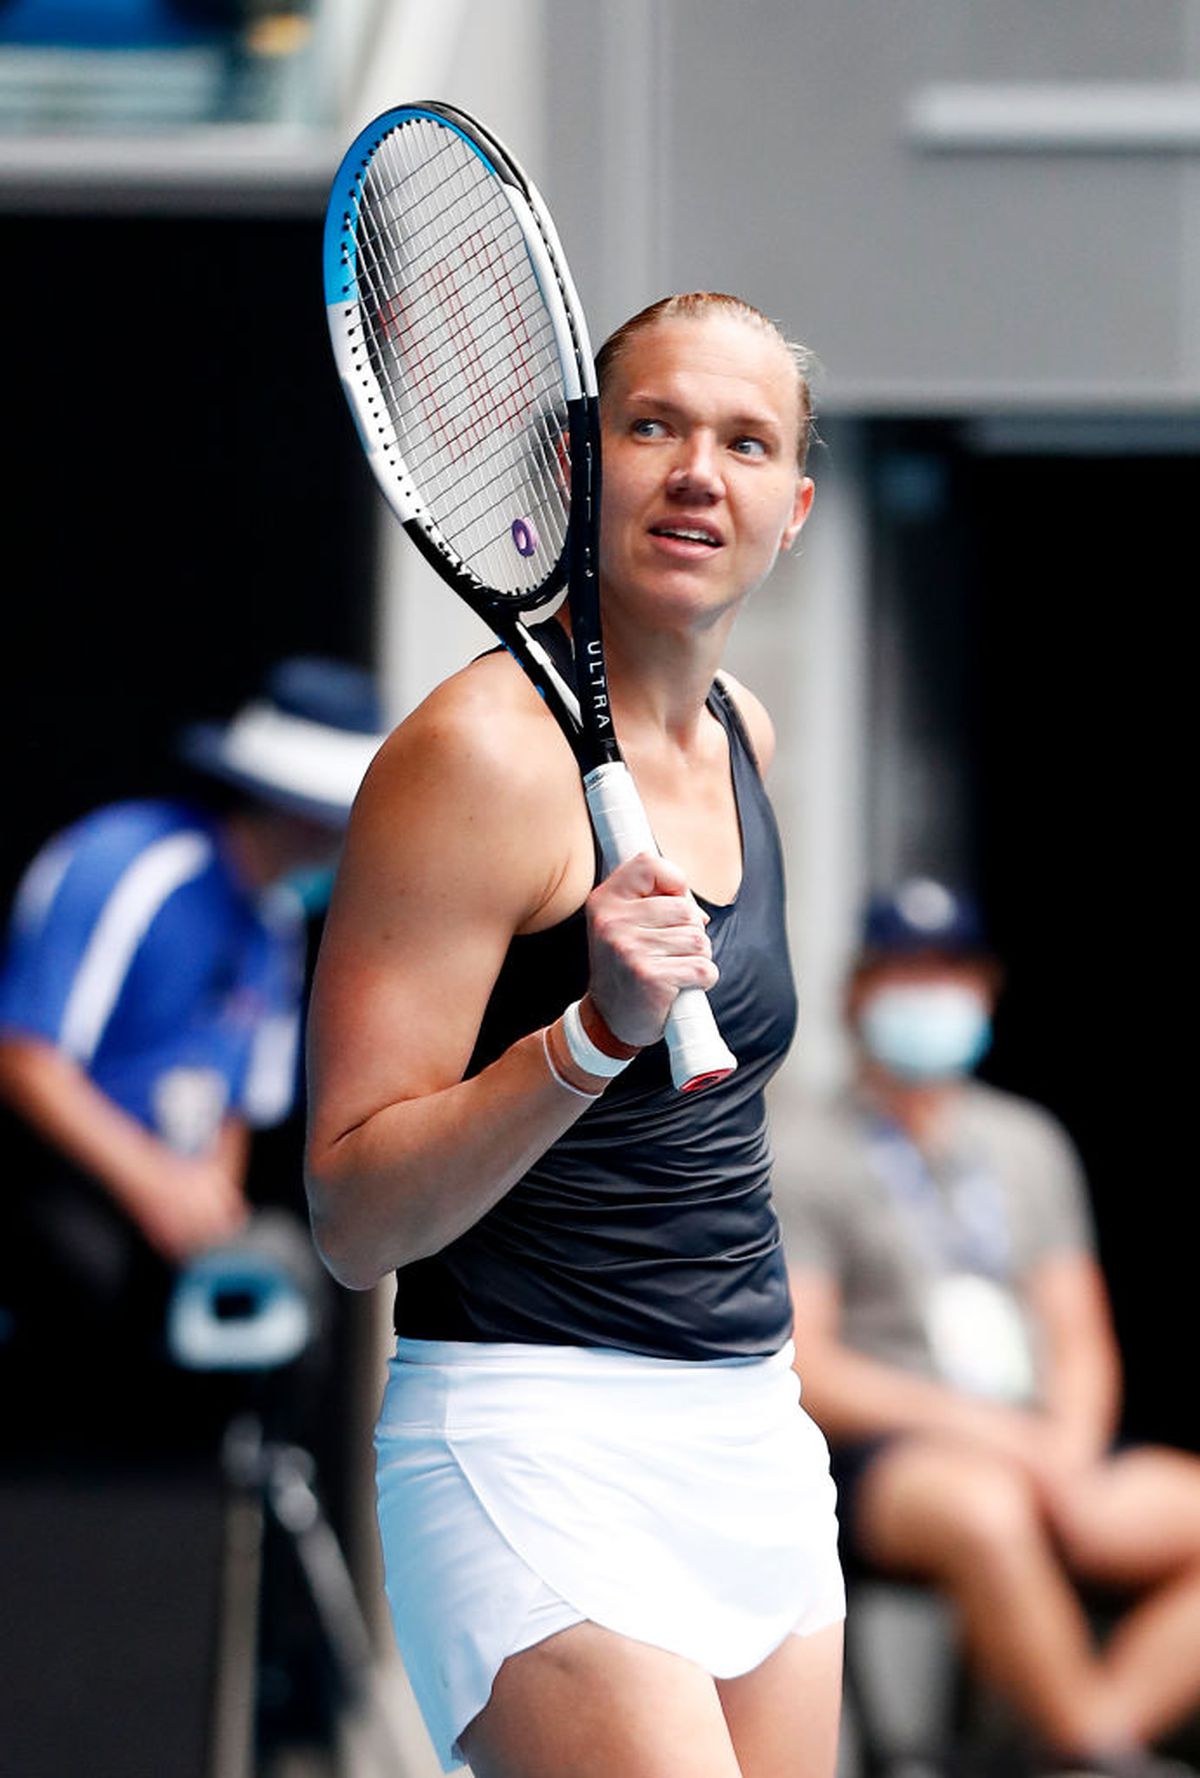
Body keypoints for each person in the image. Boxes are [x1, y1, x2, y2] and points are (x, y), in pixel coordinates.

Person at [304, 293, 845, 1778]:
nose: (697, 474)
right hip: (533, 1439)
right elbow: (352, 1212)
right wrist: (588, 1036)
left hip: (753, 1433)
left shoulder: (744, 729)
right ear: (571, 464)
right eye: (653, 424)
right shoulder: (473, 755)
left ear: (792, 507)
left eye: (746, 443)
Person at [775, 877, 1200, 1778]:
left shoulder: (1027, 1142)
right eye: (905, 972)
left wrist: (1070, 1452)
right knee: (987, 1511)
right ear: (858, 991)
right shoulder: (807, 1148)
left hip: (1044, 1438)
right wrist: (1001, 1440)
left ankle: (1089, 1735)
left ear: (984, 990)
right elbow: (809, 1363)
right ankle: (1096, 1750)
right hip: (894, 1453)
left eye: (948, 971)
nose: (929, 992)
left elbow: (1079, 1334)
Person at [0, 655, 384, 1448]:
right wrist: (154, 1184)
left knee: (287, 1288)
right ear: (309, 813)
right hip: (55, 1194)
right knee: (80, 1268)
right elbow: (24, 1055)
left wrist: (206, 1197)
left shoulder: (274, 926)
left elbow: (239, 1101)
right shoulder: (132, 863)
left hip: (158, 1215)